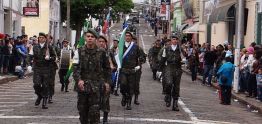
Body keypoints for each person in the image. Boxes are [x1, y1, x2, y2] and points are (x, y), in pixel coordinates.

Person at [73, 29, 111, 124]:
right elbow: (75, 68)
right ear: (85, 38)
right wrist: (79, 80)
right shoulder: (79, 51)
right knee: (83, 113)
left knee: (94, 113)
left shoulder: (101, 52)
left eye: (92, 37)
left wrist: (107, 82)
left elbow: (107, 69)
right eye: (88, 36)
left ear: (96, 39)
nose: (90, 38)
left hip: (96, 87)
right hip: (83, 86)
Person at [158, 35, 186, 111]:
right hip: (168, 68)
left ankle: (175, 104)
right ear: (171, 40)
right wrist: (159, 70)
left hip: (177, 68)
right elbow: (163, 59)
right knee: (169, 83)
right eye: (173, 39)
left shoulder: (180, 49)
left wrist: (184, 60)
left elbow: (184, 58)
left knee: (176, 87)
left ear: (178, 41)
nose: (175, 41)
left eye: (176, 39)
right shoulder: (166, 49)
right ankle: (168, 95)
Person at [119, 31, 144, 110]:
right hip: (123, 69)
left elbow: (142, 57)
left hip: (132, 70)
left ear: (131, 37)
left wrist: (138, 65)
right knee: (123, 85)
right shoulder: (121, 46)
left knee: (130, 87)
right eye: (126, 36)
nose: (127, 37)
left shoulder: (135, 47)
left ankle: (129, 103)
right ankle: (124, 96)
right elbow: (116, 57)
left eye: (129, 36)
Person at [33, 32, 56, 109]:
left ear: (45, 39)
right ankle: (40, 96)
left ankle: (44, 102)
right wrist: (29, 64)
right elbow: (30, 56)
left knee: (45, 86)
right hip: (37, 68)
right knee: (36, 84)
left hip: (46, 68)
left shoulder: (49, 47)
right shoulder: (35, 47)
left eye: (42, 37)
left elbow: (54, 57)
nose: (40, 39)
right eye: (39, 37)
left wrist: (49, 58)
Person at [97, 35, 111, 124]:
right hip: (95, 80)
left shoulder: (109, 53)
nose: (101, 43)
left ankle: (105, 117)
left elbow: (114, 65)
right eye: (100, 41)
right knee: (95, 100)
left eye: (103, 42)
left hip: (106, 79)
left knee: (105, 99)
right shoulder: (94, 52)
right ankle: (96, 117)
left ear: (105, 43)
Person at [132, 36, 146, 105]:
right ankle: (126, 97)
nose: (133, 42)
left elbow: (144, 59)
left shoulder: (139, 49)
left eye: (134, 41)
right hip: (128, 68)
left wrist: (140, 60)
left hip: (137, 69)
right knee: (128, 84)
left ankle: (136, 98)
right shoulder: (127, 48)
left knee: (136, 84)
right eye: (132, 41)